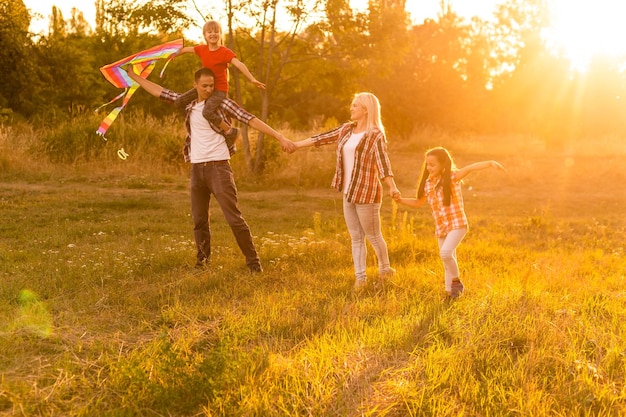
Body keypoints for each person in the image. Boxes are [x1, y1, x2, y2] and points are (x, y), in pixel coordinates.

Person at [126, 66, 295, 272]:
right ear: (195, 85)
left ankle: (254, 264)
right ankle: (202, 264)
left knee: (233, 218)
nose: (208, 89)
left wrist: (279, 137)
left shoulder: (220, 103)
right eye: (204, 86)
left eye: (212, 86)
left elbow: (249, 118)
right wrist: (134, 76)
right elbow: (159, 91)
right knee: (199, 221)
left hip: (219, 168)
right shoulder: (189, 104)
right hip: (197, 169)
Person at [293, 92, 399, 289]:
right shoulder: (346, 130)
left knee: (373, 236)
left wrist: (392, 187)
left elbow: (383, 164)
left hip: (367, 192)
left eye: (355, 106)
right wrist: (295, 145)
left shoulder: (375, 135)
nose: (351, 109)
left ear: (366, 110)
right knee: (356, 237)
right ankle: (361, 278)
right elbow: (321, 138)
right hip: (348, 191)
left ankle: (385, 271)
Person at [393, 147, 506, 298]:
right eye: (427, 164)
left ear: (442, 164)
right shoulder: (428, 183)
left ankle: (456, 281)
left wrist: (490, 163)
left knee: (445, 253)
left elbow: (469, 168)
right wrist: (400, 200)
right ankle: (450, 293)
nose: (429, 168)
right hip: (442, 227)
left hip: (457, 224)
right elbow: (418, 202)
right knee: (446, 261)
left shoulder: (452, 177)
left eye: (433, 164)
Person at [173, 20, 265, 147]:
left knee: (207, 112)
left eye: (216, 31)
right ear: (204, 35)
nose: (213, 34)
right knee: (179, 101)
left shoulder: (224, 52)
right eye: (209, 32)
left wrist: (251, 79)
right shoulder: (202, 49)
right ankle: (195, 121)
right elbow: (183, 50)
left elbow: (238, 64)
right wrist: (169, 55)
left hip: (218, 90)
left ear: (220, 34)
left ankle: (230, 131)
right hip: (204, 87)